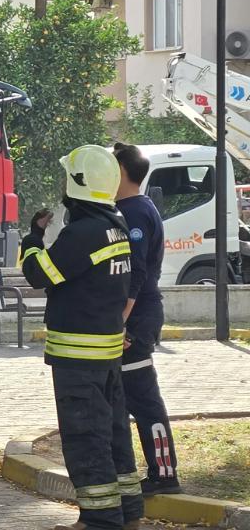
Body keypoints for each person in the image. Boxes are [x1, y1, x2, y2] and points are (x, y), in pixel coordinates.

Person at [22, 145, 143, 530]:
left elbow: (42, 274)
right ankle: (128, 513)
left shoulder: (83, 233)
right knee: (114, 435)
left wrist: (31, 240)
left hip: (79, 358)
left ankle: (99, 519)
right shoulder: (116, 225)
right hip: (106, 353)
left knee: (85, 439)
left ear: (77, 184)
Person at [113, 143, 182, 495]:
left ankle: (165, 475)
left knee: (143, 398)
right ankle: (149, 474)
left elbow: (135, 271)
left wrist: (121, 319)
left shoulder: (135, 211)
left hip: (137, 316)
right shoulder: (131, 207)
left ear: (123, 170)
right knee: (127, 397)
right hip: (135, 314)